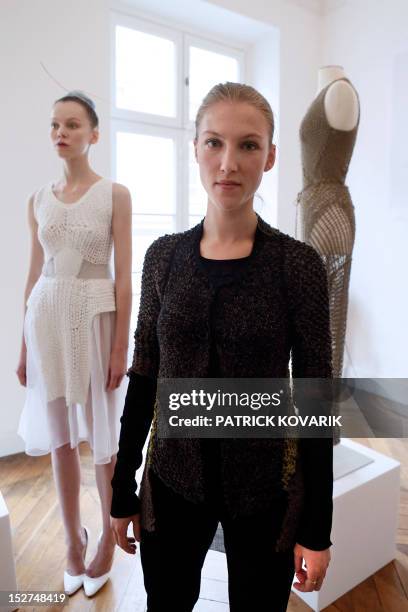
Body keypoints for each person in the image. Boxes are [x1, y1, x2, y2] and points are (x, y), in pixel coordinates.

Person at [110, 82, 333, 612]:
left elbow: (315, 397)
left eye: (248, 145)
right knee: (166, 603)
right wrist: (122, 486)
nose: (228, 162)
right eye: (213, 142)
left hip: (265, 487)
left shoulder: (296, 266)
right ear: (195, 150)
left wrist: (317, 528)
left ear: (271, 156)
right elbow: (144, 377)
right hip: (172, 481)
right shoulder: (163, 258)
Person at [16, 91, 132, 597]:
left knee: (103, 444)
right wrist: (23, 348)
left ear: (93, 134)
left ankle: (106, 539)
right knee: (61, 441)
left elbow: (124, 275)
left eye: (72, 124)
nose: (61, 133)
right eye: (55, 125)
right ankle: (71, 540)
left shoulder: (115, 194)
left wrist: (120, 347)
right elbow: (33, 273)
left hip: (95, 319)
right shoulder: (36, 199)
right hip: (45, 320)